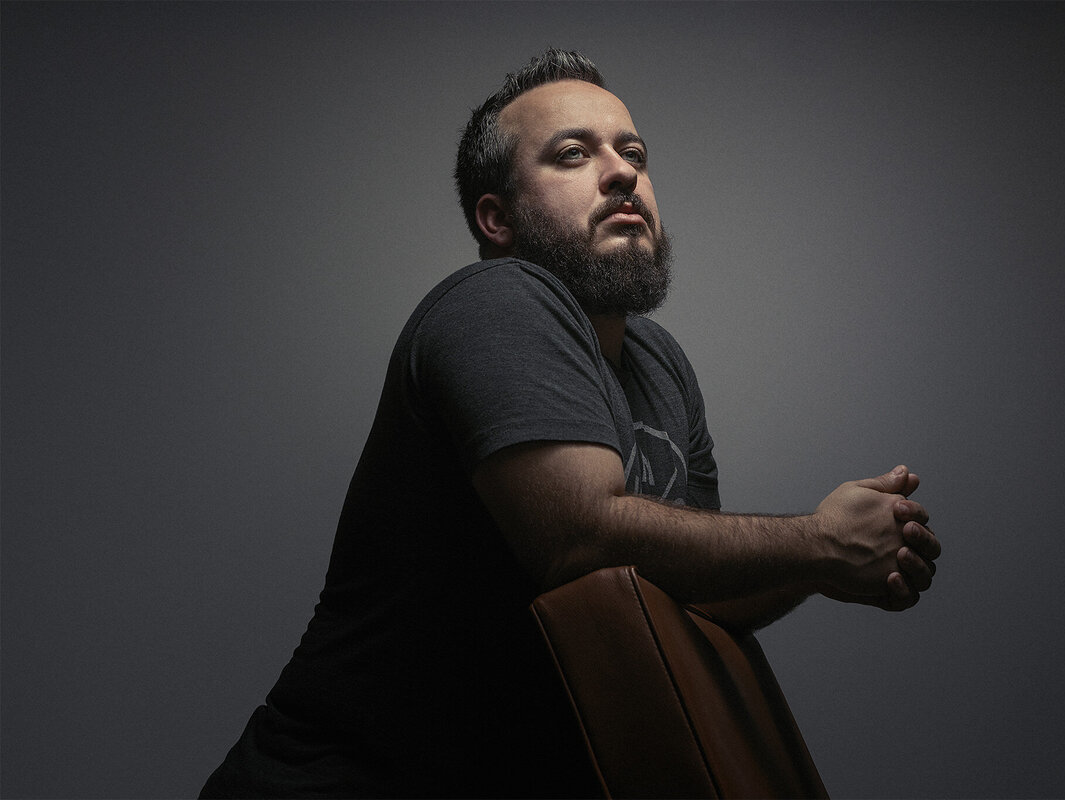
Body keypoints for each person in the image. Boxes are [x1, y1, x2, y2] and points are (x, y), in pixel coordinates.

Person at [200, 49, 941, 798]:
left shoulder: (659, 363)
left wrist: (821, 562)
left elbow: (696, 594)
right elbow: (577, 537)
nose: (621, 173)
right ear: (498, 219)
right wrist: (815, 540)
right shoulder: (494, 300)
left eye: (634, 153)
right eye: (573, 154)